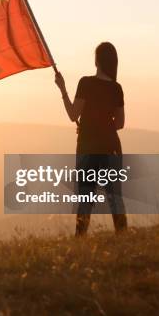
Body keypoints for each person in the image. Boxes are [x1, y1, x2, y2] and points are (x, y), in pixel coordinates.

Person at [54, 42, 128, 236]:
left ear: (97, 60)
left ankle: (80, 241)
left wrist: (62, 89)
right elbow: (120, 123)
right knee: (115, 198)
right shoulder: (116, 88)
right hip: (111, 147)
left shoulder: (85, 83)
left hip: (88, 147)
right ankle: (123, 238)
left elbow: (72, 115)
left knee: (85, 199)